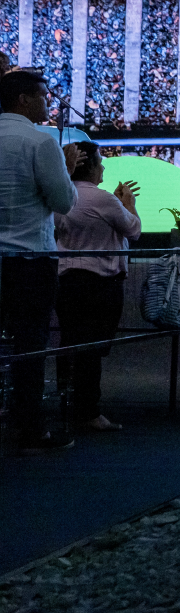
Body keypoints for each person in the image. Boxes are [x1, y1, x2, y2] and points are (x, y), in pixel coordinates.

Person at [0, 69, 79, 454]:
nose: (49, 104)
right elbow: (64, 201)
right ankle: (30, 430)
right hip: (29, 259)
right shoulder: (39, 142)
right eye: (44, 97)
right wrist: (64, 164)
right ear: (25, 100)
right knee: (29, 346)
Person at [54, 142, 140, 434]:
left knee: (70, 344)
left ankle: (67, 406)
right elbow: (134, 229)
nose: (103, 167)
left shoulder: (60, 197)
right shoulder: (103, 199)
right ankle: (88, 411)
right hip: (99, 283)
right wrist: (129, 205)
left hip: (66, 281)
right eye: (100, 162)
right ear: (89, 166)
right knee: (91, 348)